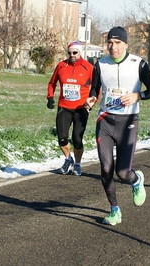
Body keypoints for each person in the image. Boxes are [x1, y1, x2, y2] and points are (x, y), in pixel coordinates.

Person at [84, 26, 150, 225]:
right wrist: (91, 98)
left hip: (128, 122)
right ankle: (114, 209)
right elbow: (95, 88)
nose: (112, 46)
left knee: (122, 172)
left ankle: (136, 180)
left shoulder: (138, 64)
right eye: (110, 42)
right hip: (105, 120)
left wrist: (137, 95)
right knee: (106, 168)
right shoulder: (100, 65)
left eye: (117, 43)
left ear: (126, 44)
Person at [47, 41, 94, 176]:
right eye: (69, 53)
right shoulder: (61, 65)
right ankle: (68, 159)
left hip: (81, 108)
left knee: (77, 139)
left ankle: (78, 164)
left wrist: (92, 102)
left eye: (75, 52)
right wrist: (50, 97)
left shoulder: (88, 67)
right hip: (64, 107)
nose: (72, 55)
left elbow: (96, 87)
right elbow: (52, 83)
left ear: (80, 52)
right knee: (62, 138)